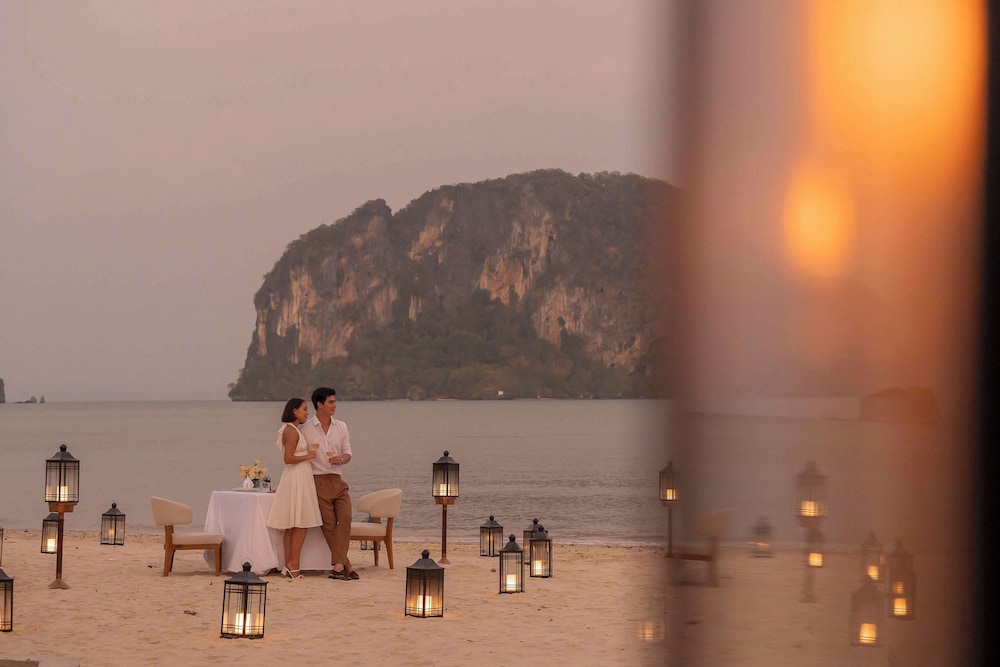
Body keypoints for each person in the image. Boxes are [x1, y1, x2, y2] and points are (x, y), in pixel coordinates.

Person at [300, 386, 358, 580]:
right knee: (329, 525)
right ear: (320, 404)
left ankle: (340, 565)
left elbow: (348, 453)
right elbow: (299, 456)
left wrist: (341, 459)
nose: (335, 405)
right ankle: (344, 566)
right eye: (331, 402)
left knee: (346, 517)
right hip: (317, 481)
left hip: (337, 479)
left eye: (334, 401)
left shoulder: (342, 426)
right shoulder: (305, 429)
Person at [266, 397, 322, 579]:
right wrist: (309, 456)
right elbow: (288, 458)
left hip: (299, 476)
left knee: (294, 524)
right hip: (297, 476)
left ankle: (289, 564)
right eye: (304, 409)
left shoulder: (292, 429)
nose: (307, 412)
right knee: (300, 523)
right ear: (294, 411)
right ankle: (293, 564)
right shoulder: (291, 431)